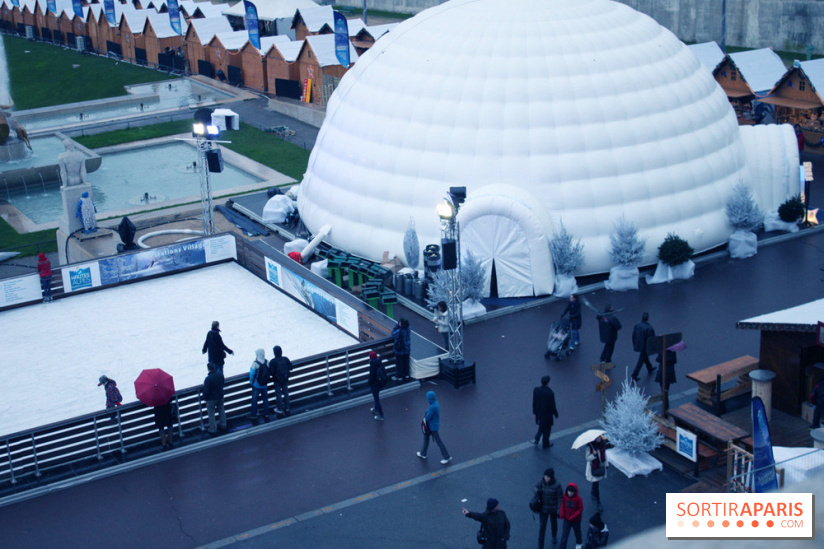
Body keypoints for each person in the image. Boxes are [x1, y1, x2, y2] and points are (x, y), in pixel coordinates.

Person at [417, 390, 452, 464]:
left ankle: (446, 457)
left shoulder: (432, 407)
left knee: (437, 441)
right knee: (427, 439)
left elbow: (427, 418)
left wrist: (425, 416)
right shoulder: (436, 403)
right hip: (434, 426)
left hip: (431, 427)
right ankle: (423, 453)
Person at [535, 467, 563, 548]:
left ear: (551, 477)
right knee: (542, 528)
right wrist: (537, 491)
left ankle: (554, 535)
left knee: (554, 524)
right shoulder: (541, 482)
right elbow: (535, 488)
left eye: (548, 477)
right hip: (543, 509)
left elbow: (559, 497)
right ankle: (540, 546)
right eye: (545, 476)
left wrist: (558, 510)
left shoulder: (557, 485)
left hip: (553, 509)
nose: (546, 478)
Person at [532, 375, 559, 448]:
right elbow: (552, 405)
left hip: (539, 413)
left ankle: (537, 439)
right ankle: (545, 443)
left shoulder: (536, 390)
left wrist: (535, 411)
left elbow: (534, 402)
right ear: (548, 383)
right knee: (547, 429)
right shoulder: (550, 393)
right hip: (547, 415)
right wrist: (556, 414)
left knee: (541, 426)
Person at [630, 312, 656, 381]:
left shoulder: (637, 325)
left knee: (644, 358)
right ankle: (634, 375)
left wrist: (634, 344)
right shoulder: (649, 328)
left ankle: (649, 367)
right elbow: (651, 340)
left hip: (639, 345)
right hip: (645, 347)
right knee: (640, 361)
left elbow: (633, 336)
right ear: (648, 318)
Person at [203, 362, 227, 435]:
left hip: (211, 399)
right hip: (220, 395)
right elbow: (223, 383)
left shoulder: (208, 379)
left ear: (208, 369)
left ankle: (213, 428)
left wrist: (204, 398)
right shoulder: (220, 374)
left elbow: (206, 391)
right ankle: (223, 424)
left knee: (211, 413)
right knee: (221, 409)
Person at [586, 435, 608, 512]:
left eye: (599, 437)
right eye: (597, 438)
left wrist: (606, 464)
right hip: (594, 468)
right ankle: (598, 501)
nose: (599, 439)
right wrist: (594, 455)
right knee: (596, 484)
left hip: (600, 466)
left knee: (596, 483)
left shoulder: (602, 445)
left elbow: (605, 455)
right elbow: (587, 458)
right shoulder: (590, 447)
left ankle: (593, 492)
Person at [558, 482, 584, 549]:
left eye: (572, 492)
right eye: (569, 491)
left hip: (576, 520)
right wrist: (562, 513)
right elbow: (562, 505)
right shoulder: (564, 496)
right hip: (567, 519)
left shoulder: (578, 499)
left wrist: (572, 517)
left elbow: (580, 509)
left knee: (577, 532)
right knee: (564, 535)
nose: (570, 493)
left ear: (574, 492)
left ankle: (579, 543)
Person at [270, 345, 293, 416]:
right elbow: (291, 367)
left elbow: (271, 372)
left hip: (277, 380)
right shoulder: (285, 359)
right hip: (285, 379)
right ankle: (287, 407)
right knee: (286, 393)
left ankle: (280, 409)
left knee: (278, 394)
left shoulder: (273, 361)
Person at [249, 349, 270, 420]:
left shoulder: (255, 364)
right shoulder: (267, 362)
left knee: (254, 400)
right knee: (265, 399)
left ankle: (254, 414)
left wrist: (251, 382)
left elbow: (252, 374)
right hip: (264, 385)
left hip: (256, 385)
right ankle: (266, 413)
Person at [368, 350, 387, 420]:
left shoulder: (372, 365)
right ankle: (376, 408)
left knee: (376, 399)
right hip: (380, 383)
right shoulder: (380, 363)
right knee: (376, 397)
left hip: (375, 384)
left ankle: (381, 415)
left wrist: (369, 382)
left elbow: (371, 377)